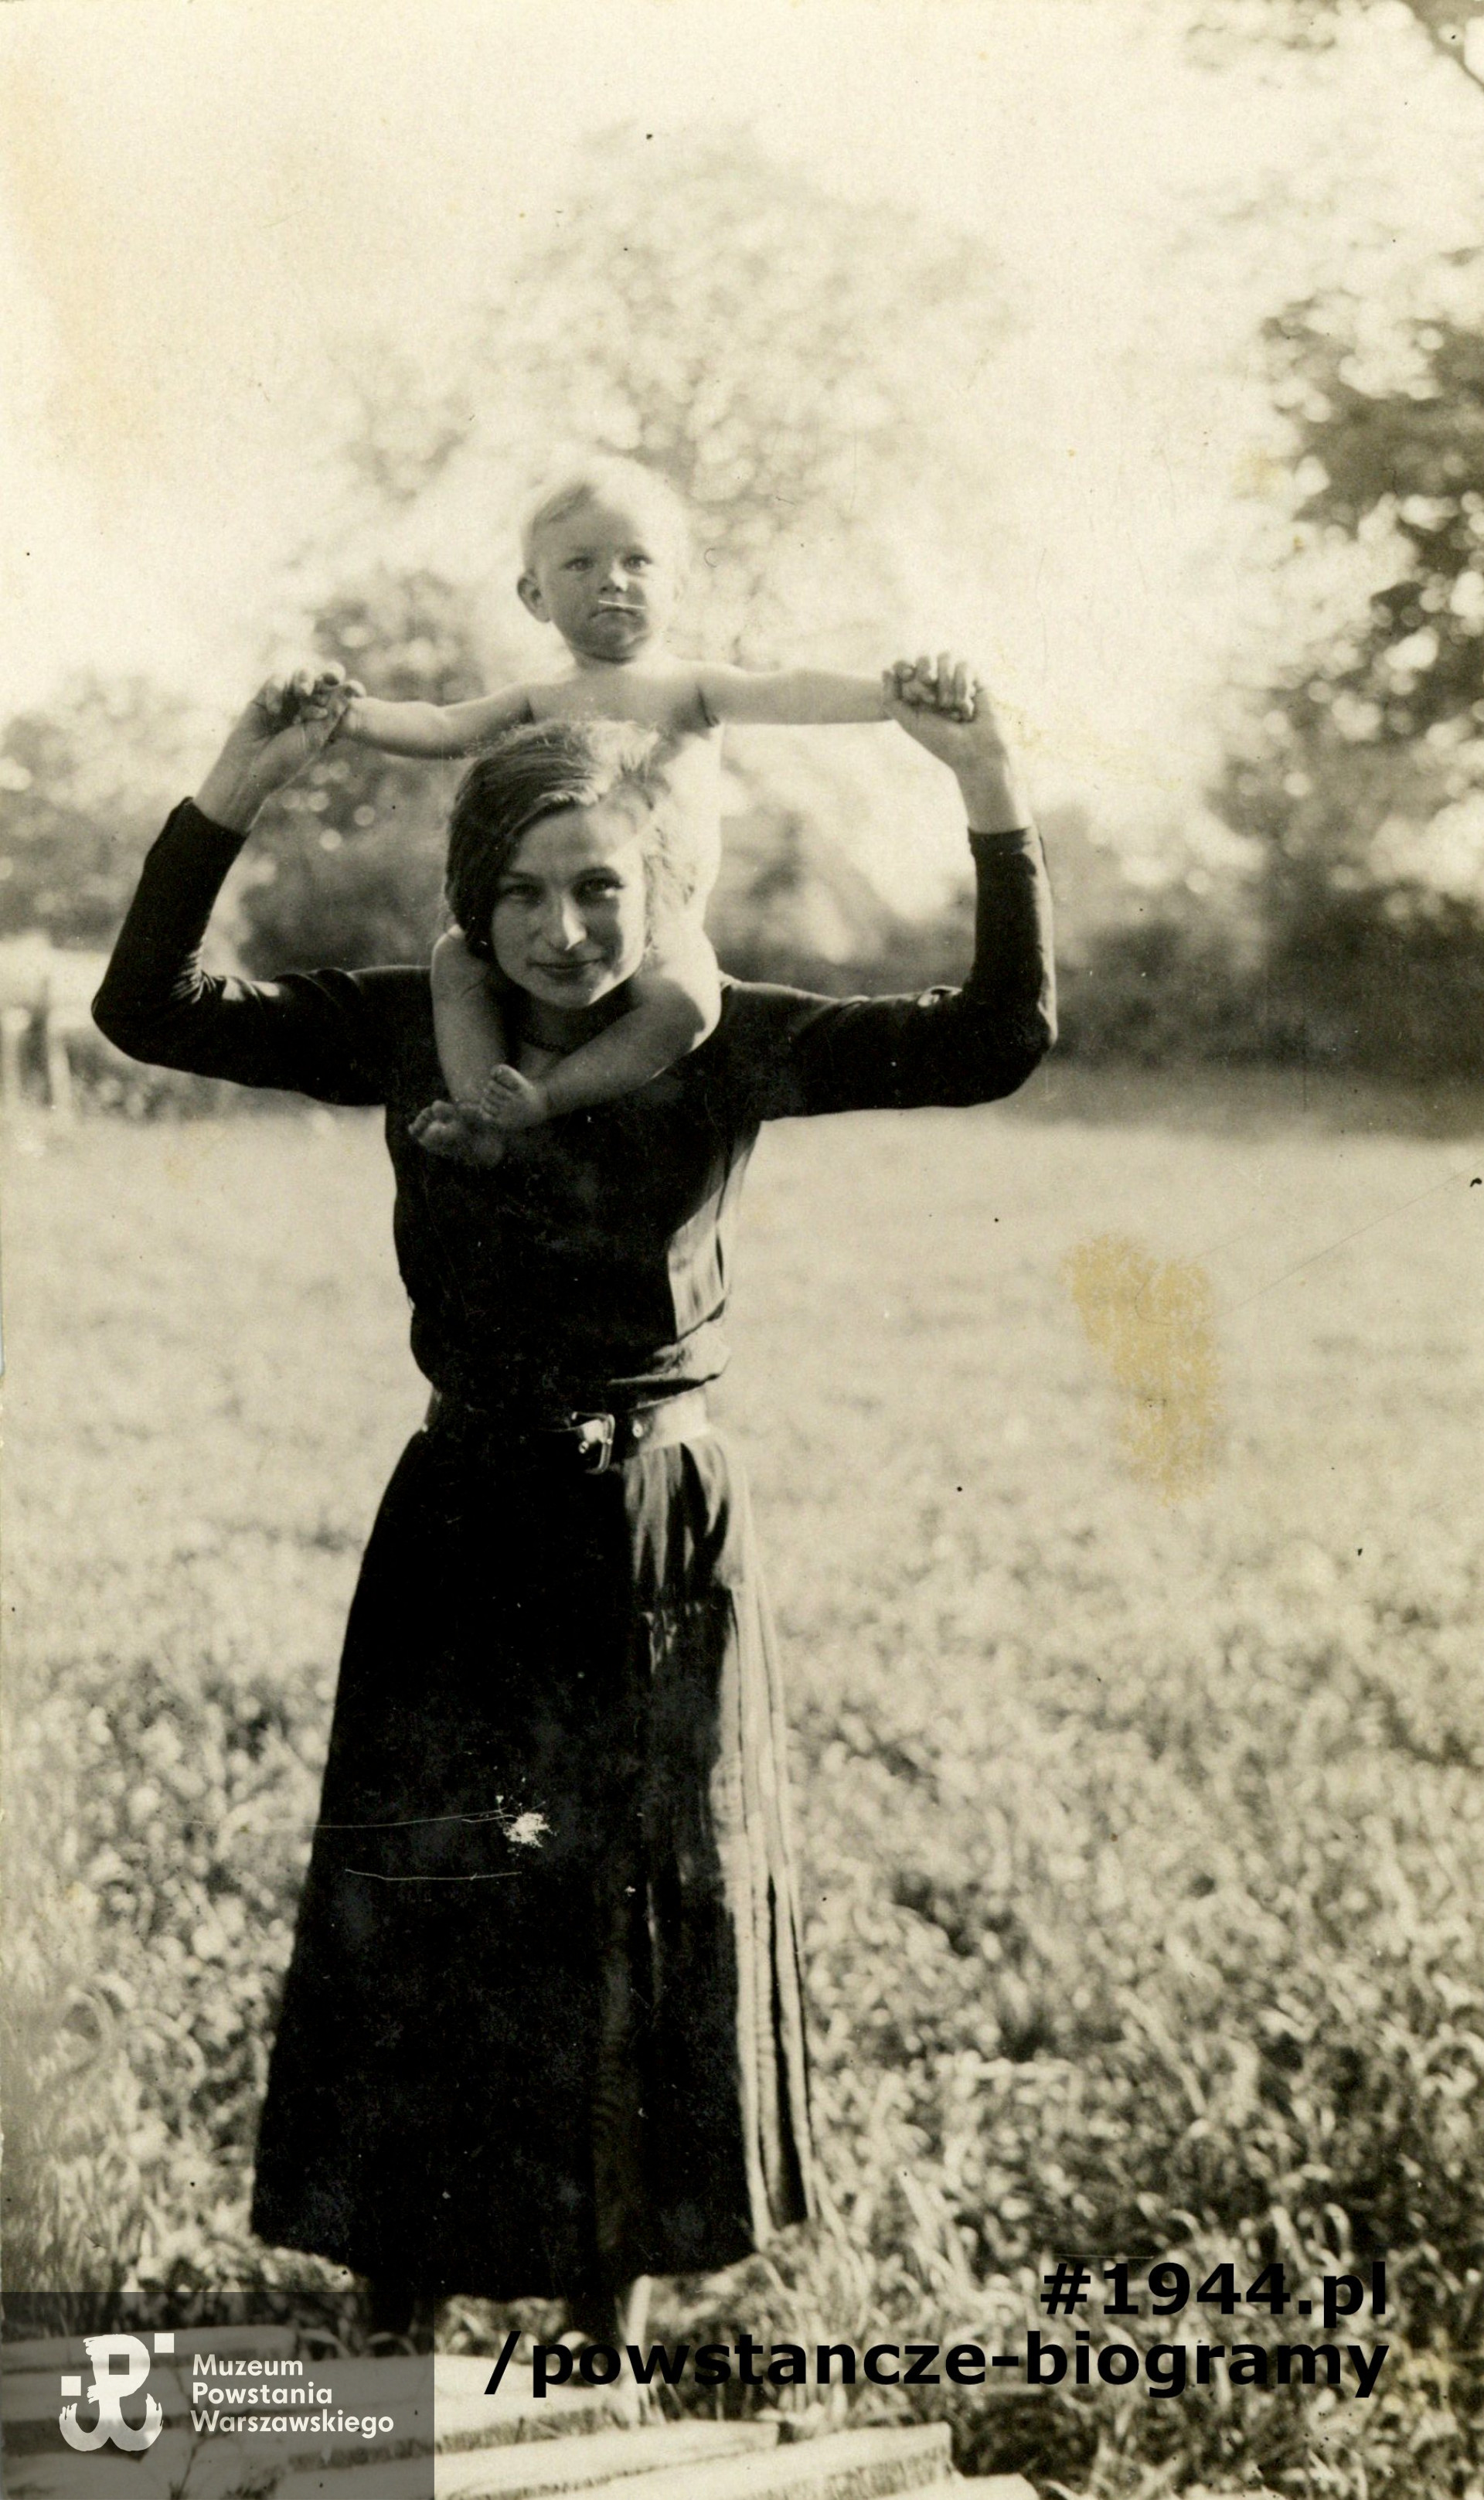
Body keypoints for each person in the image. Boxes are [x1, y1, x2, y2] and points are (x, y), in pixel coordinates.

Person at [92, 655, 1055, 2357]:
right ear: (475, 905)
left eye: (600, 887)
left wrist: (984, 785)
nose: (562, 927)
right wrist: (236, 778)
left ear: (659, 890)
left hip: (653, 1531)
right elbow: (148, 1009)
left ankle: (596, 2333)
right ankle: (397, 2322)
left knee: (625, 1911)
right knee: (436, 1901)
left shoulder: (731, 1038)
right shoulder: (405, 1030)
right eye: (522, 894)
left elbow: (994, 1043)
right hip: (461, 1510)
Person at [318, 455, 977, 1160]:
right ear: (533, 595)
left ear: (679, 587)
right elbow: (443, 728)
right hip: (560, 917)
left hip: (664, 931)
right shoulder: (538, 699)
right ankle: (486, 1117)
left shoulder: (693, 688)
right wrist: (349, 716)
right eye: (580, 563)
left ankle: (548, 1098)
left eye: (638, 560)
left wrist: (892, 697)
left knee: (688, 1003)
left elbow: (792, 690)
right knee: (456, 960)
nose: (613, 579)